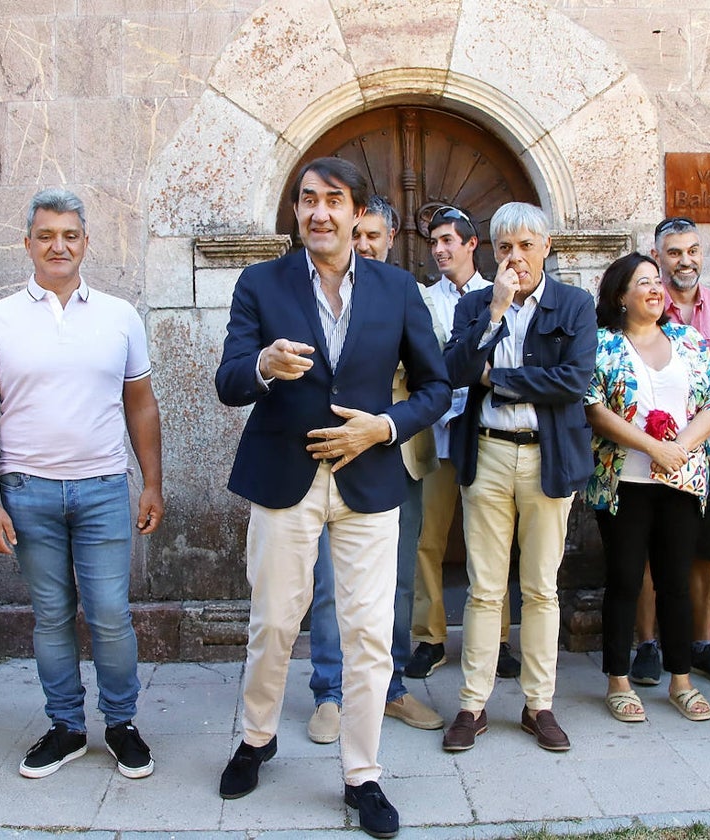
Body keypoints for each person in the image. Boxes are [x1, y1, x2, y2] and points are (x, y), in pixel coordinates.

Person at [214, 157, 449, 839]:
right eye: (307, 200)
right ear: (297, 213)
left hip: (369, 481)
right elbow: (229, 379)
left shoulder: (397, 287)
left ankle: (362, 776)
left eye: (333, 200)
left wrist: (386, 426)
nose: (319, 212)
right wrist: (263, 364)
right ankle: (257, 740)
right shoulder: (261, 282)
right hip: (283, 479)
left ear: (355, 213)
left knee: (370, 634)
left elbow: (435, 388)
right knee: (274, 624)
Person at [0, 188, 164, 780]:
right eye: (46, 235)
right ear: (27, 243)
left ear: (86, 243)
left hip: (102, 486)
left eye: (70, 235)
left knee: (109, 614)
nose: (58, 245)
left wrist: (152, 482)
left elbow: (141, 405)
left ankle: (121, 723)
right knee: (50, 616)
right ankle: (66, 728)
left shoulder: (119, 316)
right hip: (28, 491)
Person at [440, 201, 595, 753]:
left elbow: (572, 381)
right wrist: (495, 313)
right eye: (505, 247)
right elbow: (455, 372)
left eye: (526, 245)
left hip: (545, 458)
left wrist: (497, 377)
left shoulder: (575, 305)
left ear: (546, 247)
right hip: (486, 455)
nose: (516, 257)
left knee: (540, 588)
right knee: (484, 589)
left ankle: (539, 705)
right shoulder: (476, 305)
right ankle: (472, 705)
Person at [305, 196, 443, 746]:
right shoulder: (316, 290)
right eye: (355, 234)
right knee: (329, 583)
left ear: (389, 239)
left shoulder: (401, 293)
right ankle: (329, 693)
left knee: (399, 578)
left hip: (397, 450)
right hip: (331, 449)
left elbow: (431, 371)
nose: (362, 244)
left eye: (373, 236)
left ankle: (389, 688)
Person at [585, 252, 710, 724]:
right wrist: (652, 447)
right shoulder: (603, 344)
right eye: (642, 282)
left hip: (681, 479)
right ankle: (618, 681)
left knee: (675, 581)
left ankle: (681, 681)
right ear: (620, 295)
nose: (654, 288)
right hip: (624, 480)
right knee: (625, 578)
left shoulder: (687, 339)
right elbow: (593, 407)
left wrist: (678, 449)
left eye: (656, 282)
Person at [631, 217, 710, 689]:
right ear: (657, 256)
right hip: (650, 453)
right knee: (644, 545)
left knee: (709, 545)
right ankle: (647, 644)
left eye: (693, 251)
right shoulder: (645, 307)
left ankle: (701, 645)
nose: (686, 260)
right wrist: (666, 444)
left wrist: (704, 425)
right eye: (675, 252)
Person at [407, 205, 520, 682]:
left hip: (480, 432)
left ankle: (497, 639)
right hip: (435, 435)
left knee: (490, 543)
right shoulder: (423, 299)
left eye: (449, 240)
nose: (439, 250)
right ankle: (430, 638)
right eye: (434, 242)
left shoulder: (502, 295)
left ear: (473, 245)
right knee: (426, 540)